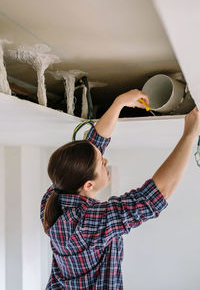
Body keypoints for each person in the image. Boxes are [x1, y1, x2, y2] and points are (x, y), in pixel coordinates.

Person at [40, 89, 200, 290]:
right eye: (101, 164)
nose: (106, 161)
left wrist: (120, 103)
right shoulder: (87, 223)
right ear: (88, 185)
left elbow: (93, 146)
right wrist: (189, 135)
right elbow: (151, 198)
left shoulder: (54, 196)